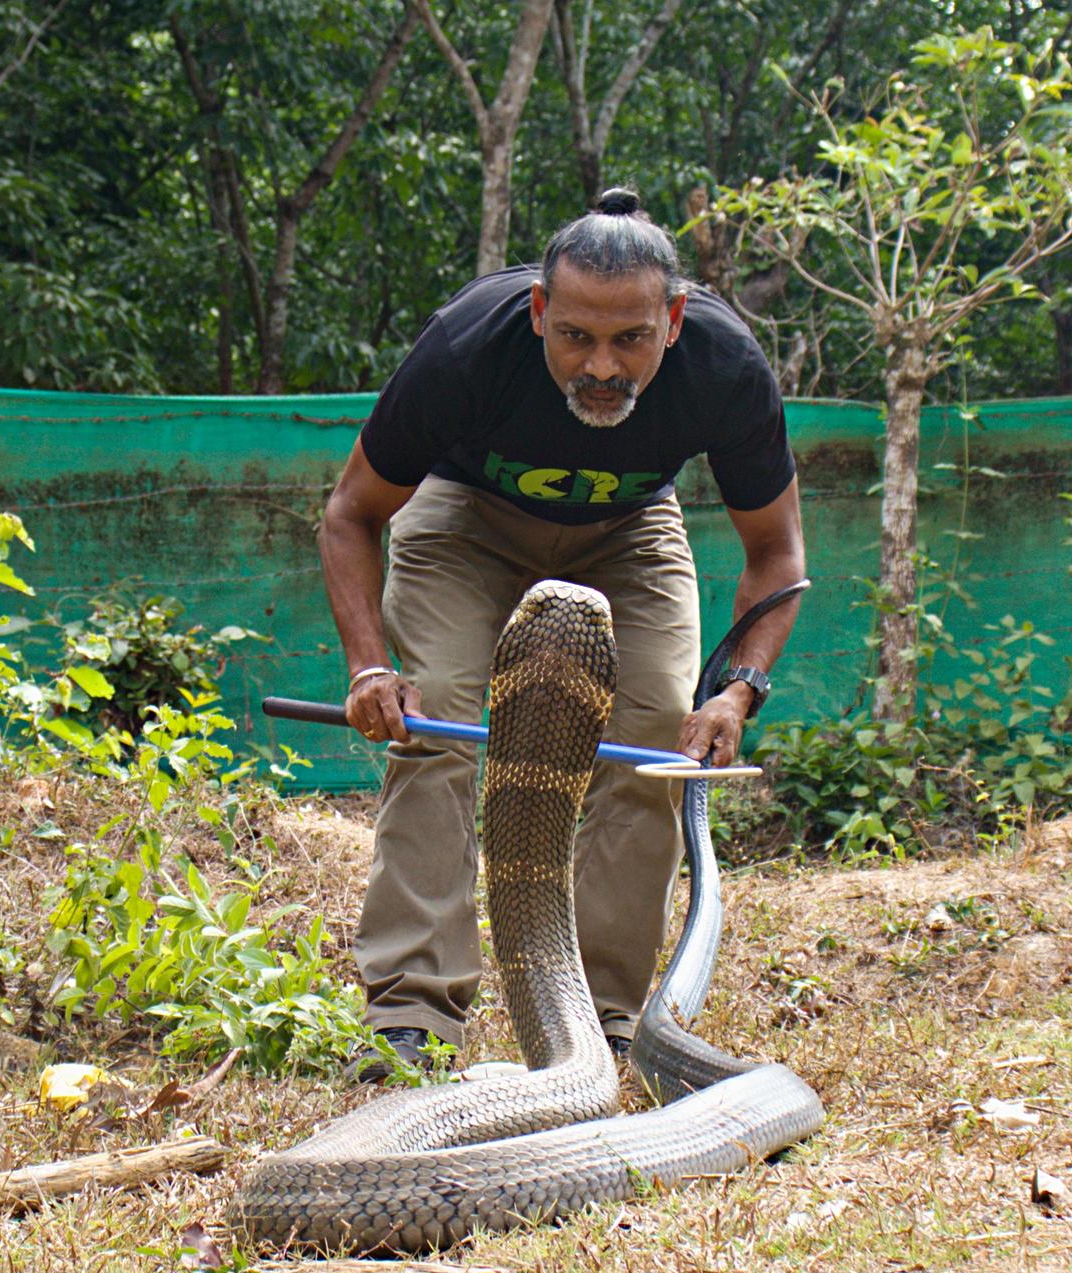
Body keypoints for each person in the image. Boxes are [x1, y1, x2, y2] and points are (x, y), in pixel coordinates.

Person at [319, 187, 805, 1081]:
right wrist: (369, 668)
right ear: (540, 311)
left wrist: (737, 691)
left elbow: (776, 554)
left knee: (659, 737)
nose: (602, 368)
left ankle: (605, 1026)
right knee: (438, 720)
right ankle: (411, 1024)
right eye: (575, 336)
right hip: (465, 519)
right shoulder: (467, 348)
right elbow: (350, 515)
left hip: (631, 529)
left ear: (675, 319)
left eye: (631, 340)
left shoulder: (724, 367)